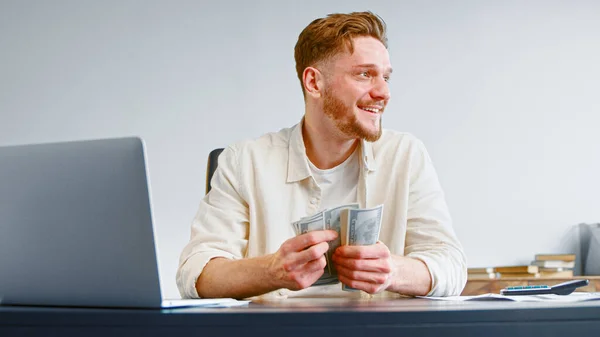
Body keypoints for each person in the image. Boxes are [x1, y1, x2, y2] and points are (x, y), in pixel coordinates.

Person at [176, 11, 467, 300]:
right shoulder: (244, 161)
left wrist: (392, 271)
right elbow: (196, 275)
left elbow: (452, 267)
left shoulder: (406, 155)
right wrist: (271, 271)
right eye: (365, 74)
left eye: (386, 77)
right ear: (314, 83)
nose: (384, 92)